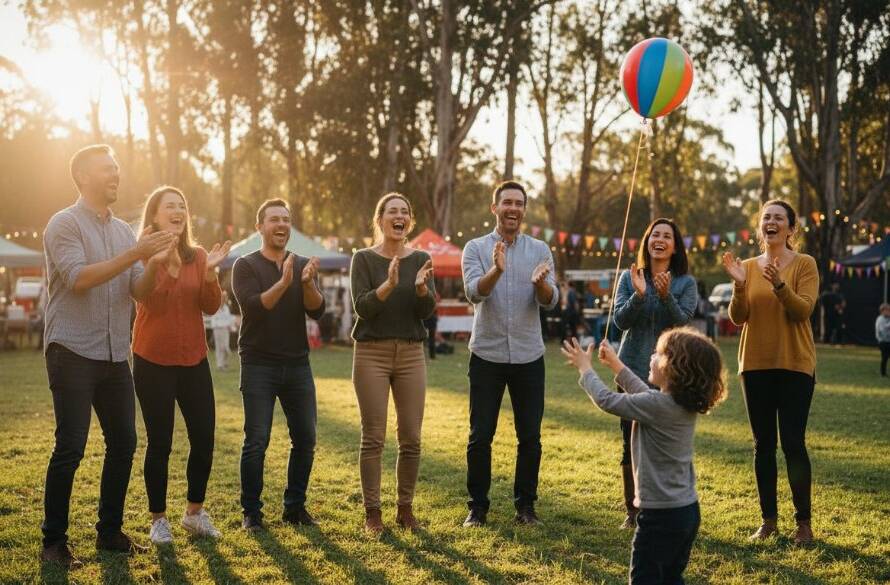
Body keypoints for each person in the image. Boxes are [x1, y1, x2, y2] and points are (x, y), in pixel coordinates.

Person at [40, 144, 175, 566]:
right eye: (106, 170)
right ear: (83, 177)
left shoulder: (122, 232)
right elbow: (79, 279)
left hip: (117, 354)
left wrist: (153, 262)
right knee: (71, 447)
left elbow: (138, 290)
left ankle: (109, 532)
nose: (116, 175)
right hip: (72, 349)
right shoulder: (63, 224)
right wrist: (137, 254)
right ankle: (53, 543)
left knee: (124, 443)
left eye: (117, 169)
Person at [561, 329, 726, 585]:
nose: (651, 356)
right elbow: (643, 394)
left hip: (660, 516)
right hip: (686, 512)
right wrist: (617, 366)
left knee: (645, 578)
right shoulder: (679, 403)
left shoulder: (656, 406)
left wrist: (586, 369)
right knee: (670, 577)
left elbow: (607, 400)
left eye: (658, 353)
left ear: (675, 368)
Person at [131, 186, 232, 544]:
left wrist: (209, 276)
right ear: (155, 216)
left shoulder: (199, 255)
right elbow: (152, 305)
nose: (178, 211)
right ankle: (158, 519)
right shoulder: (144, 255)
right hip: (152, 358)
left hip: (193, 358)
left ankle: (194, 513)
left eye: (182, 205)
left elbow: (209, 306)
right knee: (160, 441)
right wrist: (166, 268)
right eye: (169, 206)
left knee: (203, 437)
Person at [461, 180, 559, 527]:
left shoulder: (540, 250)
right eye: (507, 203)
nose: (513, 208)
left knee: (530, 435)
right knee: (480, 435)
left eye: (518, 203)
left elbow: (552, 300)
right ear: (495, 208)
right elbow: (474, 293)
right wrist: (497, 270)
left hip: (528, 356)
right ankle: (478, 507)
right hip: (486, 355)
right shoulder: (474, 248)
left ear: (524, 210)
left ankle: (526, 507)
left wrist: (541, 284)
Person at [722, 199, 819, 545]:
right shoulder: (746, 267)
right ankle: (768, 522)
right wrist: (738, 284)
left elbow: (802, 311)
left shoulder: (804, 264)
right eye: (767, 217)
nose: (772, 222)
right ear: (761, 227)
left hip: (795, 364)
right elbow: (738, 317)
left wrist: (779, 284)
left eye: (779, 218)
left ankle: (803, 524)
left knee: (793, 443)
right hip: (755, 365)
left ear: (791, 229)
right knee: (763, 444)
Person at [232, 198, 325, 531]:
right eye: (274, 219)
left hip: (297, 364)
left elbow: (317, 311)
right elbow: (255, 308)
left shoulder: (301, 264)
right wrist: (285, 282)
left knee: (306, 438)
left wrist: (306, 283)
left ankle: (294, 507)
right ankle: (251, 513)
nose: (281, 225)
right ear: (260, 227)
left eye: (286, 219)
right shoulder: (244, 265)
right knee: (257, 440)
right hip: (258, 364)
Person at [350, 193, 436, 533]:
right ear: (380, 219)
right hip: (371, 352)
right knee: (373, 437)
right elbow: (363, 308)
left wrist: (419, 291)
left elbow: (426, 311)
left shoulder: (422, 258)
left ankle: (405, 509)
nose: (398, 217)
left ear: (409, 221)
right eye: (392, 212)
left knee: (411, 437)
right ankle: (373, 513)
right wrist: (388, 285)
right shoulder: (364, 260)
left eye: (404, 212)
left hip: (412, 353)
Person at [611, 218, 697, 529]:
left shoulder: (686, 283)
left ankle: (663, 507)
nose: (659, 240)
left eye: (666, 236)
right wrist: (638, 294)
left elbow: (684, 325)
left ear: (675, 247)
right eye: (654, 235)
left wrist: (665, 296)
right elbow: (620, 322)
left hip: (669, 375)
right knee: (629, 442)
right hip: (631, 366)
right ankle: (633, 513)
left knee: (663, 443)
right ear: (648, 242)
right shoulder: (629, 276)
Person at [211, 291, 236, 370]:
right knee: (219, 347)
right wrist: (218, 325)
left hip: (225, 330)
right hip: (217, 329)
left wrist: (231, 327)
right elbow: (214, 319)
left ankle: (224, 362)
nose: (224, 299)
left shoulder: (226, 308)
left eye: (225, 297)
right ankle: (220, 365)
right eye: (223, 297)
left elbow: (228, 319)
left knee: (226, 347)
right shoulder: (215, 307)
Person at [876, 303, 890, 377]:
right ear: (882, 311)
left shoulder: (888, 318)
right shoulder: (880, 319)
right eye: (887, 310)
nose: (889, 312)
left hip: (888, 341)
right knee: (884, 357)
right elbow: (882, 330)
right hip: (883, 342)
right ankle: (883, 373)